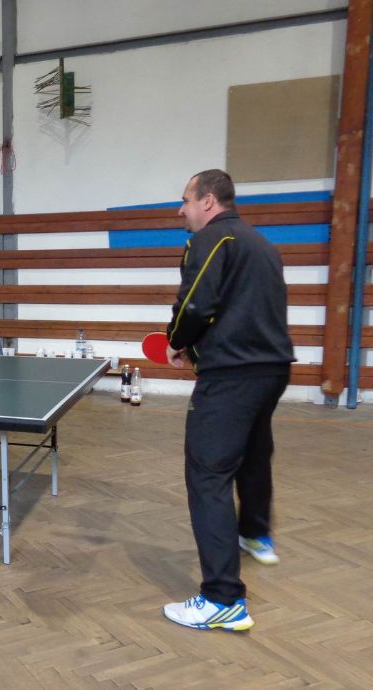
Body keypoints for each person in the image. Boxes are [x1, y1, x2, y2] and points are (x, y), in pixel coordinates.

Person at [161, 170, 294, 631]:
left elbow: (196, 304)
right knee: (254, 452)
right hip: (272, 369)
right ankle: (255, 534)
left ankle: (222, 599)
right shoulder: (264, 246)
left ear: (208, 201)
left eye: (185, 200)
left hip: (232, 376)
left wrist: (176, 340)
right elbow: (249, 309)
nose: (181, 209)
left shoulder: (209, 240)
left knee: (208, 474)